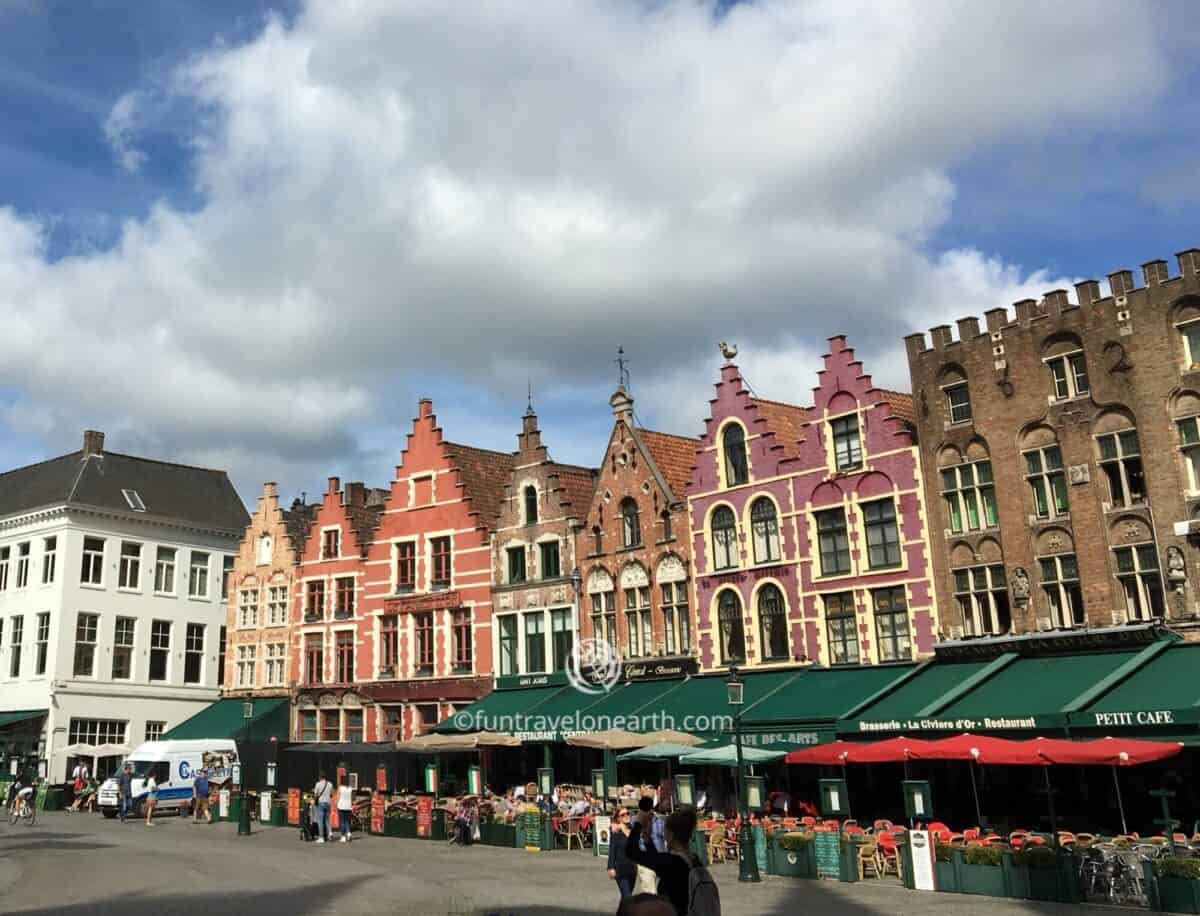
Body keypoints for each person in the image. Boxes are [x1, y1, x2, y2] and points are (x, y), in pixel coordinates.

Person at [627, 806, 720, 916]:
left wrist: (638, 823)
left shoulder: (672, 862)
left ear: (670, 835)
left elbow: (631, 852)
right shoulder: (694, 860)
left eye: (665, 832)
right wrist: (648, 839)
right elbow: (659, 864)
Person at [607, 807, 637, 901]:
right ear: (618, 818)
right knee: (628, 897)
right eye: (623, 815)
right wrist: (610, 867)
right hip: (620, 868)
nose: (626, 816)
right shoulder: (616, 831)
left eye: (627, 813)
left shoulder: (633, 828)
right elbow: (612, 849)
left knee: (626, 897)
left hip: (632, 868)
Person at [313, 772, 333, 843]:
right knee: (327, 820)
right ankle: (330, 833)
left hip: (321, 803)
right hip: (328, 803)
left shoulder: (318, 784)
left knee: (320, 821)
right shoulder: (330, 784)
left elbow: (316, 794)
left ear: (320, 777)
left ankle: (321, 837)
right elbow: (331, 794)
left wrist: (315, 801)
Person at [336, 776, 354, 843]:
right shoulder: (350, 788)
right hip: (348, 806)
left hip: (341, 806)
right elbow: (352, 798)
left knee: (342, 821)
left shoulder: (340, 788)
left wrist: (336, 804)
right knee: (347, 821)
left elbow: (338, 797)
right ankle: (349, 834)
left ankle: (343, 837)